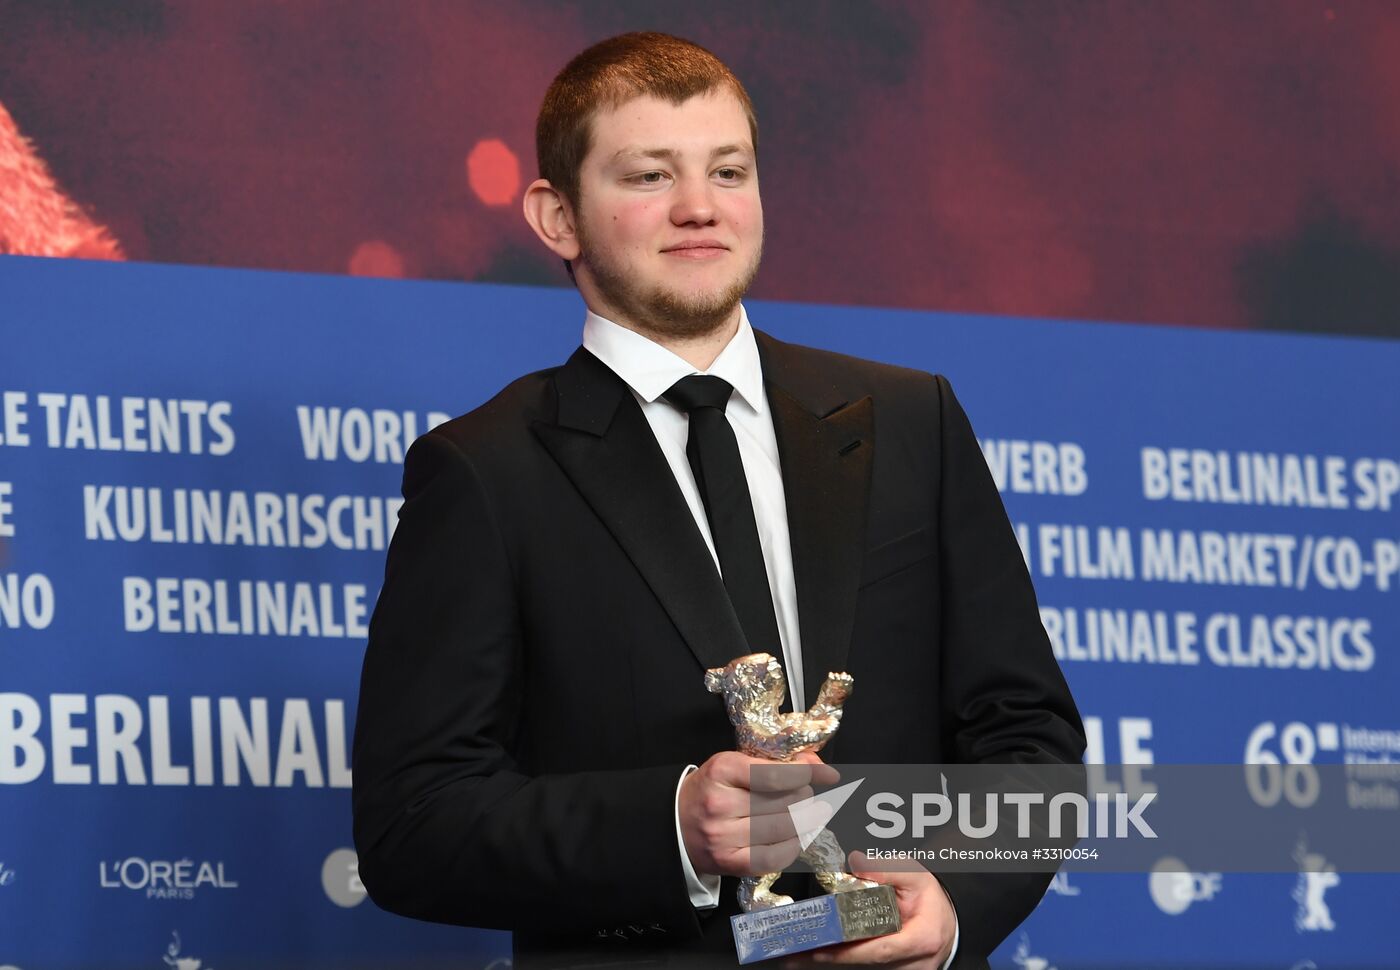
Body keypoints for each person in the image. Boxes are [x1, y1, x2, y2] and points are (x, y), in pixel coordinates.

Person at [352, 32, 1084, 970]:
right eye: (649, 176)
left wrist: (953, 905)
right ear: (556, 216)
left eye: (728, 171)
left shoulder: (912, 421)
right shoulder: (486, 471)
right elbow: (414, 826)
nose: (699, 207)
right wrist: (672, 826)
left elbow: (1031, 742)